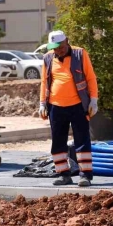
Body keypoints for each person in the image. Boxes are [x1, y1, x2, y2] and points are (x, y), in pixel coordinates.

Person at [39, 30, 99, 187]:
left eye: (61, 47)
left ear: (67, 41)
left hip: (78, 105)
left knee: (82, 140)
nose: (58, 50)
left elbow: (91, 77)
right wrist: (42, 103)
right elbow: (44, 82)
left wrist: (93, 100)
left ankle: (85, 175)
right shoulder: (47, 58)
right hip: (55, 107)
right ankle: (63, 174)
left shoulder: (80, 54)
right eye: (55, 48)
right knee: (58, 142)